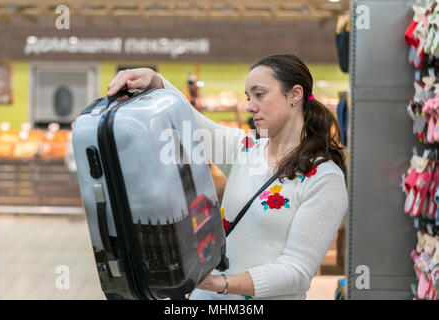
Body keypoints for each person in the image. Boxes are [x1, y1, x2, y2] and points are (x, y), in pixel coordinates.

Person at [107, 54, 348, 300]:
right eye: (248, 97)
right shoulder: (244, 149)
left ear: (295, 94)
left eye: (260, 94)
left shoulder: (325, 179)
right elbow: (190, 121)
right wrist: (156, 80)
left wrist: (216, 283)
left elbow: (295, 272)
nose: (250, 106)